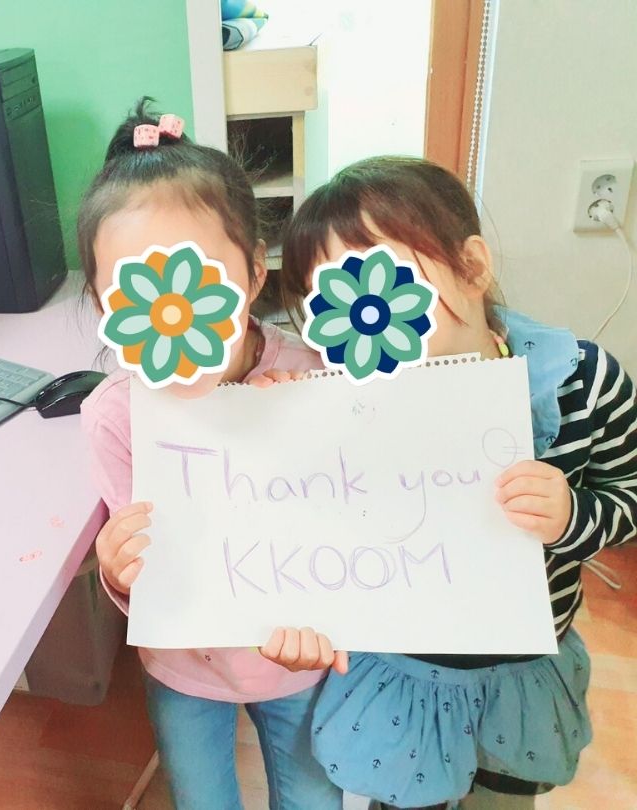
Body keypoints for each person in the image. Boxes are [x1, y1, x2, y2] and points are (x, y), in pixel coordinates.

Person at [277, 155, 637, 809]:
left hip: (525, 670)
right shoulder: (342, 406)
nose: (367, 323)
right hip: (402, 675)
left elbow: (629, 495)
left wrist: (571, 516)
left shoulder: (584, 381)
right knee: (403, 798)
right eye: (331, 308)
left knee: (504, 797)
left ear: (471, 267)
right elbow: (317, 540)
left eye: (385, 287)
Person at [78, 99, 346, 809]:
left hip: (302, 662)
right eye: (138, 291)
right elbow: (144, 572)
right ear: (108, 307)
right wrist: (119, 569)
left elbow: (355, 522)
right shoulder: (115, 416)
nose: (175, 308)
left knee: (315, 799)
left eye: (197, 280)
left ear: (256, 272)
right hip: (185, 670)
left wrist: (305, 429)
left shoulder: (315, 375)